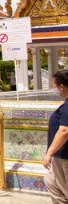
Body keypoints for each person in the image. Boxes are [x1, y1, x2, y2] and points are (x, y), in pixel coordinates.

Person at [45, 70, 68, 203]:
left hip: (64, 158)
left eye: (54, 84)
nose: (53, 88)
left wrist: (49, 153)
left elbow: (64, 131)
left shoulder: (66, 108)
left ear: (61, 87)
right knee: (51, 182)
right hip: (60, 157)